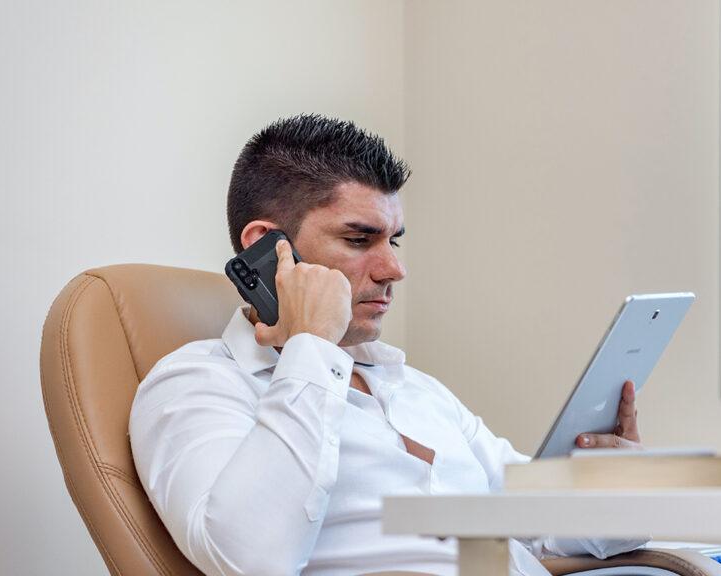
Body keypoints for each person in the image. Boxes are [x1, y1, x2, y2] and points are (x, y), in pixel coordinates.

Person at [129, 114, 646, 576]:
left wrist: (620, 488)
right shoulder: (195, 383)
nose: (394, 269)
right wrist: (312, 346)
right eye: (359, 240)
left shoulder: (415, 389)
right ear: (267, 246)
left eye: (392, 240)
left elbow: (545, 525)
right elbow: (249, 560)